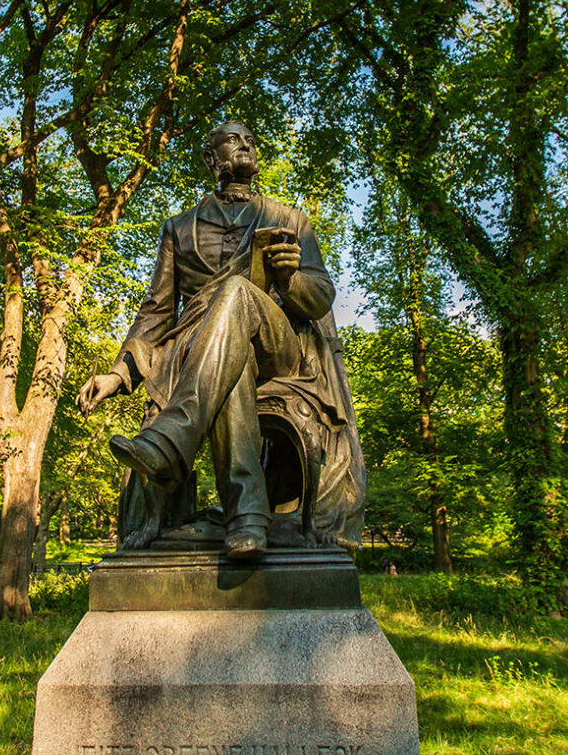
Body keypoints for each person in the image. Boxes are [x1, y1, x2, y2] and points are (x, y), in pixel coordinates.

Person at [77, 120, 365, 559]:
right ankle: (247, 519)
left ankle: (170, 440)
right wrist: (118, 374)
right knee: (231, 362)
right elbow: (156, 311)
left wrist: (290, 278)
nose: (246, 145)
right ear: (212, 159)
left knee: (235, 293)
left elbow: (322, 297)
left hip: (278, 345)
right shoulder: (179, 229)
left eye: (251, 139)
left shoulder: (290, 221)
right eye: (234, 139)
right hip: (212, 354)